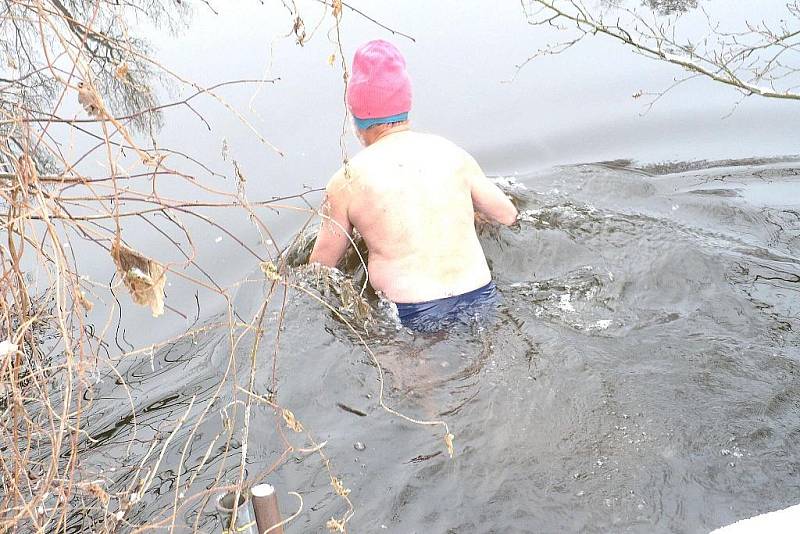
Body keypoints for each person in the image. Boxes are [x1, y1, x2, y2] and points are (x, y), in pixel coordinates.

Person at [309, 40, 518, 331]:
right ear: (406, 106)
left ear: (356, 120)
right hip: (480, 294)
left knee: (411, 375)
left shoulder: (347, 180)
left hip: (411, 311)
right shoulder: (452, 153)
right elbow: (507, 215)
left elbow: (320, 269)